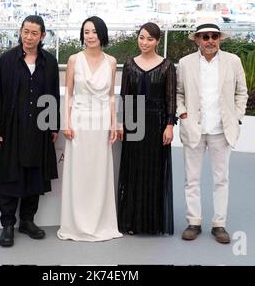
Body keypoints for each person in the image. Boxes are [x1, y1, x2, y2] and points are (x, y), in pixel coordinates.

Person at [177, 18, 248, 244]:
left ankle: (219, 224)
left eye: (214, 36)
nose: (210, 41)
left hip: (221, 129)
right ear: (197, 40)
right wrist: (183, 114)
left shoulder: (233, 61)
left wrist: (236, 115)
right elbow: (178, 93)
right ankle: (194, 221)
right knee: (192, 179)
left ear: (219, 39)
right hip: (194, 128)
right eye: (205, 37)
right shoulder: (185, 63)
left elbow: (241, 92)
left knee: (221, 179)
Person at [0, 15, 60, 247]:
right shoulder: (7, 60)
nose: (29, 37)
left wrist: (53, 125)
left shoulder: (49, 62)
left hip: (39, 126)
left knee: (34, 175)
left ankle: (27, 221)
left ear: (42, 36)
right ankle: (8, 224)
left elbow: (53, 95)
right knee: (10, 175)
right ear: (20, 32)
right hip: (12, 126)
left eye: (34, 33)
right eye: (25, 31)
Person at [57, 16, 122, 241]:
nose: (90, 36)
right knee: (79, 172)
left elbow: (111, 96)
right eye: (86, 32)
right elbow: (68, 94)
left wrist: (114, 123)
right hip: (80, 121)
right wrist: (66, 121)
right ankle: (76, 224)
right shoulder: (75, 59)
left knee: (99, 173)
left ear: (102, 34)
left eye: (94, 32)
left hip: (102, 121)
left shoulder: (111, 62)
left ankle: (101, 223)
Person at [117, 22, 176, 235]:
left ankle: (151, 223)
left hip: (157, 123)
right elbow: (124, 97)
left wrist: (169, 125)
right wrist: (121, 122)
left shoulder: (167, 66)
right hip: (133, 123)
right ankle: (131, 221)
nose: (145, 42)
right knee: (133, 170)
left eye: (150, 39)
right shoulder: (130, 65)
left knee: (154, 171)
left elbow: (170, 99)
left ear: (158, 41)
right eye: (142, 37)